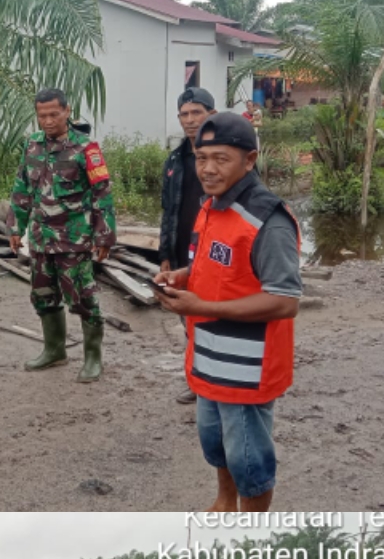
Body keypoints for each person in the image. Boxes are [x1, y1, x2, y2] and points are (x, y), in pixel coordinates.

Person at [154, 112, 301, 512]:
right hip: (207, 356)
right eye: (202, 158)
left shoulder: (268, 220)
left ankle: (250, 526)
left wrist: (202, 306)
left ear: (249, 160)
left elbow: (286, 301)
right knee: (215, 441)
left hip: (247, 367)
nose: (208, 168)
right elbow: (215, 269)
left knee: (248, 457)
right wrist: (183, 277)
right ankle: (224, 499)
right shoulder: (211, 207)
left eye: (221, 158)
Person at [8, 87, 116, 382]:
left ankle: (93, 358)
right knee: (43, 295)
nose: (48, 120)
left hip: (73, 239)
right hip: (41, 239)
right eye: (42, 115)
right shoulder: (32, 145)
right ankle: (54, 350)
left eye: (54, 114)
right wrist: (15, 226)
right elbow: (22, 188)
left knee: (83, 298)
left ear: (67, 112)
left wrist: (104, 236)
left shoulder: (86, 147)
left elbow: (102, 193)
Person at [159, 87, 217, 406]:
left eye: (197, 112)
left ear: (212, 113)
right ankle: (197, 381)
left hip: (218, 253)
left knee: (217, 316)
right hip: (185, 253)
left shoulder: (227, 156)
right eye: (184, 114)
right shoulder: (175, 160)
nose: (190, 119)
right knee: (189, 320)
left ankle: (218, 382)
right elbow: (168, 210)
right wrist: (165, 255)